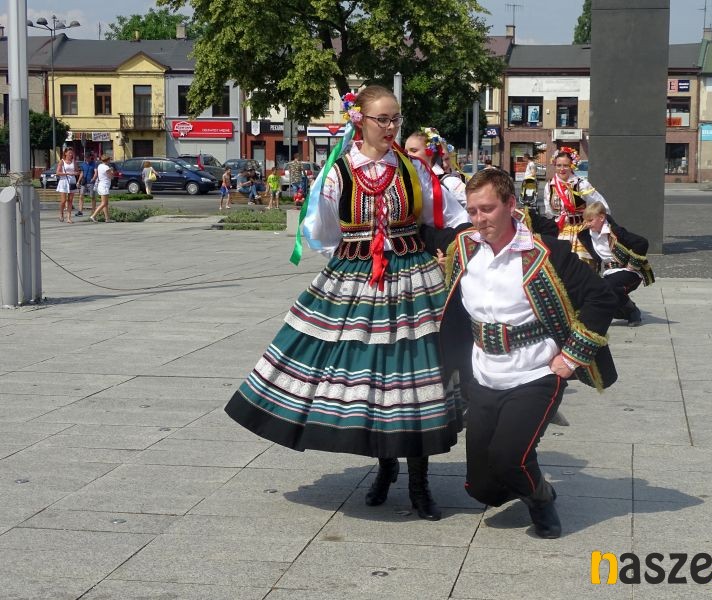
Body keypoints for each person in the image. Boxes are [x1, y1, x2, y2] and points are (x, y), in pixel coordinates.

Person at [225, 85, 469, 521]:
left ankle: (419, 483)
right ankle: (386, 467)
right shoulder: (338, 171)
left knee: (417, 381)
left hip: (413, 282)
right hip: (358, 280)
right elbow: (320, 230)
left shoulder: (412, 168)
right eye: (383, 119)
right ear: (360, 120)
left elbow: (451, 214)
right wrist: (355, 255)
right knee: (374, 384)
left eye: (396, 119)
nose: (391, 127)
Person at [437, 168, 617, 538]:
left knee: (509, 458)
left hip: (536, 372)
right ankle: (522, 467)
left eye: (487, 209)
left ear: (511, 205)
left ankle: (541, 498)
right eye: (472, 210)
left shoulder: (547, 253)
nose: (479, 219)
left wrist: (571, 357)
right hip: (483, 375)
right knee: (483, 489)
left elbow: (601, 297)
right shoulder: (463, 248)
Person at [578, 202, 655, 327]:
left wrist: (632, 265)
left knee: (608, 288)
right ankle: (624, 311)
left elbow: (642, 243)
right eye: (585, 220)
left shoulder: (615, 231)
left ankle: (631, 311)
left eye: (590, 220)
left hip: (630, 272)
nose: (587, 223)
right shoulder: (586, 234)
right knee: (595, 289)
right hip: (609, 271)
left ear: (601, 217)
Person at [544, 146, 610, 262]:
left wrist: (597, 224)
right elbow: (549, 212)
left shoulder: (581, 185)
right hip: (561, 230)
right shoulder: (550, 186)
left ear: (572, 166)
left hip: (581, 230)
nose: (562, 169)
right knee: (562, 264)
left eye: (566, 165)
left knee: (583, 264)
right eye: (559, 165)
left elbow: (600, 206)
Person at [405, 127, 467, 208]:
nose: (408, 155)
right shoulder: (408, 179)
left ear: (430, 152)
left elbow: (472, 207)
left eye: (414, 150)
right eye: (406, 151)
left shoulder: (449, 182)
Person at [56, 148, 78, 223]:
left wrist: (75, 173)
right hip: (64, 181)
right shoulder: (62, 161)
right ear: (65, 153)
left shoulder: (74, 162)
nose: (71, 154)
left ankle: (69, 217)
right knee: (63, 201)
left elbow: (77, 171)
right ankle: (61, 213)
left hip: (72, 181)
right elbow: (58, 172)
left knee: (70, 200)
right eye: (69, 153)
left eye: (72, 153)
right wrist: (67, 173)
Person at [89, 155, 114, 223]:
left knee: (105, 203)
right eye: (109, 160)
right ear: (107, 160)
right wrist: (112, 171)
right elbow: (111, 177)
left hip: (101, 185)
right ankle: (93, 216)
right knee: (104, 203)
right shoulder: (106, 167)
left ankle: (107, 218)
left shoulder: (100, 166)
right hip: (104, 186)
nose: (110, 161)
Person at [76, 152, 97, 217]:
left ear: (90, 157)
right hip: (84, 182)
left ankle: (93, 211)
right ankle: (80, 211)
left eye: (88, 157)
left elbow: (96, 172)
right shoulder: (83, 164)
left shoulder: (94, 164)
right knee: (81, 196)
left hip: (91, 182)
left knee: (92, 196)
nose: (87, 159)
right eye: (86, 158)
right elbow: (82, 173)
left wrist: (93, 178)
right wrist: (78, 181)